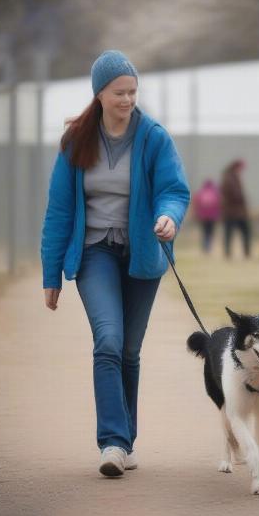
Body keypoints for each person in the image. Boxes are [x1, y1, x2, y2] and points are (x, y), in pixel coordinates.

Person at [41, 50, 190, 478]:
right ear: (100, 93)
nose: (128, 100)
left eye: (132, 91)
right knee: (108, 340)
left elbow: (174, 190)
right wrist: (51, 274)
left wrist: (169, 216)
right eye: (119, 92)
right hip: (94, 254)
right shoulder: (75, 143)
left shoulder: (154, 137)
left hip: (142, 252)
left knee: (128, 350)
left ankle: (126, 438)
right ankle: (112, 442)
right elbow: (58, 213)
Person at [220, 159, 251, 259]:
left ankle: (229, 253)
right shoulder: (231, 178)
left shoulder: (229, 177)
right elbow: (235, 194)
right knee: (244, 231)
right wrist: (242, 199)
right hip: (235, 211)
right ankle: (244, 252)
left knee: (229, 233)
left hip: (232, 211)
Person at [192, 179, 221, 253]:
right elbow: (219, 205)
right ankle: (209, 246)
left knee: (204, 232)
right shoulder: (215, 193)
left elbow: (196, 203)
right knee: (210, 232)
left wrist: (196, 214)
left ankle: (205, 246)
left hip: (203, 216)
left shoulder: (200, 192)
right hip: (212, 217)